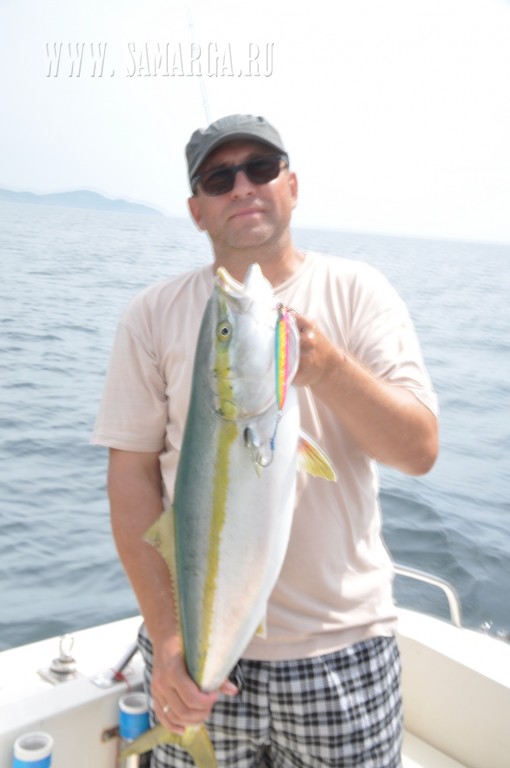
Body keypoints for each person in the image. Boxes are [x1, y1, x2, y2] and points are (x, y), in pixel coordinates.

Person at [92, 114, 439, 768]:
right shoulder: (152, 315)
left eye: (260, 168)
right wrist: (168, 640)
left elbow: (419, 451)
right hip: (195, 660)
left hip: (342, 651)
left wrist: (328, 371)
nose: (243, 187)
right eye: (218, 178)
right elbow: (131, 479)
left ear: (293, 185)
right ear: (196, 210)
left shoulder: (359, 292)